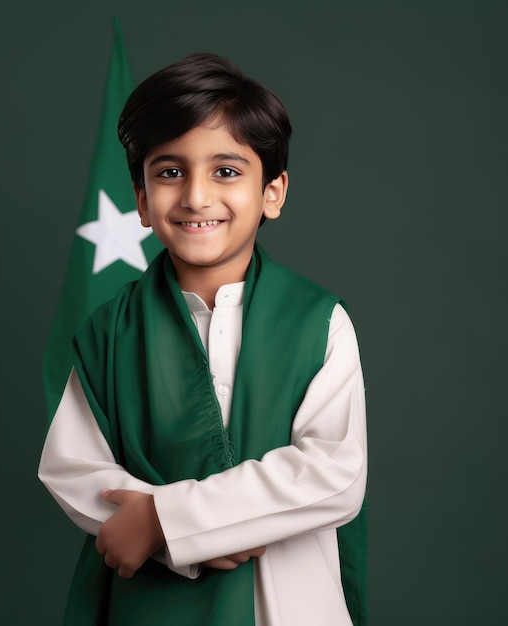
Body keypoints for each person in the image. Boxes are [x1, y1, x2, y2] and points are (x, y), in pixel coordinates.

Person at [39, 53, 368, 626]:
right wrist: (154, 529)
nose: (195, 196)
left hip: (288, 604)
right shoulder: (110, 333)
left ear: (273, 191)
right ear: (141, 199)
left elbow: (334, 473)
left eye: (226, 171)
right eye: (169, 172)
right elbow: (73, 468)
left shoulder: (318, 321)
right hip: (154, 602)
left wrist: (169, 520)